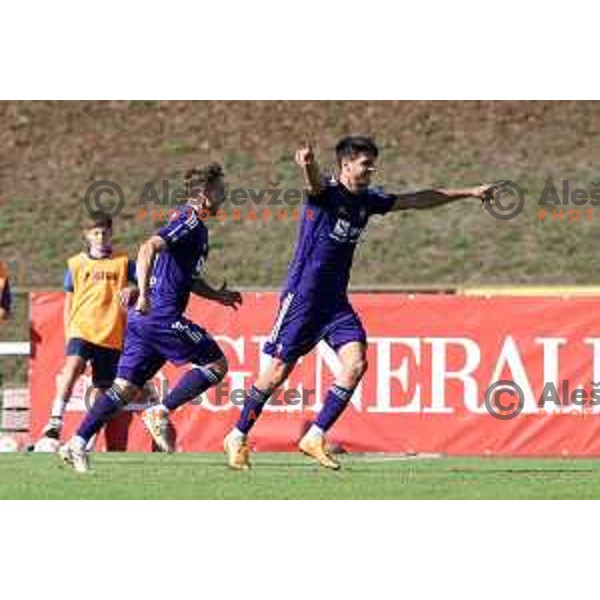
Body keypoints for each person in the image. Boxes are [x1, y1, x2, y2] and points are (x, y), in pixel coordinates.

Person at [224, 135, 497, 470]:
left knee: (355, 365)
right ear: (346, 164)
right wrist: (308, 165)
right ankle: (237, 435)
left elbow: (417, 199)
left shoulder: (369, 201)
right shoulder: (326, 195)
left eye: (372, 163)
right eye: (366, 163)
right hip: (303, 300)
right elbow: (314, 184)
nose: (372, 168)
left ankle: (315, 436)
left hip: (335, 304)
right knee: (277, 372)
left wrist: (468, 192)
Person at [60, 163, 242, 473]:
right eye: (219, 188)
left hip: (143, 321)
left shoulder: (196, 227)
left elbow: (187, 277)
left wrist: (217, 295)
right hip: (159, 316)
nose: (224, 194)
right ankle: (161, 411)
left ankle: (77, 443)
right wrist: (142, 293)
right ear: (204, 193)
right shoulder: (189, 220)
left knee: (123, 389)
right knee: (216, 365)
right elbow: (148, 247)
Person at [40, 211, 138, 441]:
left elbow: (146, 283)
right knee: (73, 366)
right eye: (96, 232)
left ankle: (85, 439)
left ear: (111, 233)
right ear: (87, 236)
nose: (101, 236)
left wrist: (135, 289)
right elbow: (69, 302)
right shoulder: (76, 264)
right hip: (82, 329)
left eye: (105, 232)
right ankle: (55, 419)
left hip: (112, 332)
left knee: (102, 389)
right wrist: (68, 331)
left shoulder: (124, 262)